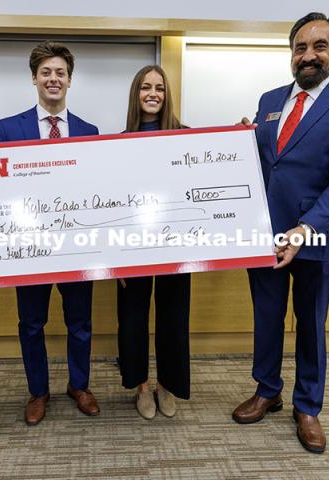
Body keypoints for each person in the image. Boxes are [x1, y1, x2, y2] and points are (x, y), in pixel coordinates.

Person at [232, 13, 329, 453]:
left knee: (311, 325)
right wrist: (234, 145)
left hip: (314, 235)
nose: (309, 55)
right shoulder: (270, 99)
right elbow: (264, 163)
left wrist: (304, 230)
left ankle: (308, 406)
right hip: (264, 233)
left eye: (319, 46)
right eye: (301, 47)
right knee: (266, 318)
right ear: (291, 53)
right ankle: (267, 390)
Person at [0, 41, 100, 425]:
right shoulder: (9, 128)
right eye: (46, 72)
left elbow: (96, 193)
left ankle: (79, 385)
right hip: (30, 248)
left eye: (60, 73)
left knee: (80, 323)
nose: (53, 79)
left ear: (69, 80)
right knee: (32, 324)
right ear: (34, 79)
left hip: (77, 246)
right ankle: (38, 391)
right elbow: (2, 193)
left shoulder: (90, 131)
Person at [117, 65, 191, 420]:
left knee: (173, 317)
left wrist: (236, 138)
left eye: (159, 88)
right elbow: (109, 199)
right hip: (131, 245)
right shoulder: (117, 141)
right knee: (132, 317)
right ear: (136, 93)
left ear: (166, 94)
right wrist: (113, 256)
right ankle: (141, 386)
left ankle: (167, 385)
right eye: (145, 87)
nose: (153, 93)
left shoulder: (186, 136)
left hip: (176, 245)